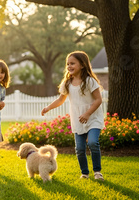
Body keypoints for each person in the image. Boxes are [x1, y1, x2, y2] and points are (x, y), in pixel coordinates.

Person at [41, 51, 105, 181]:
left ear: (82, 65)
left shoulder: (90, 81)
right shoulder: (67, 83)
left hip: (93, 118)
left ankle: (97, 172)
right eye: (68, 64)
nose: (69, 66)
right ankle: (85, 173)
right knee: (80, 148)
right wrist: (48, 107)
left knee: (93, 142)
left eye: (72, 63)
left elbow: (98, 100)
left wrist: (87, 113)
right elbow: (60, 100)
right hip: (78, 120)